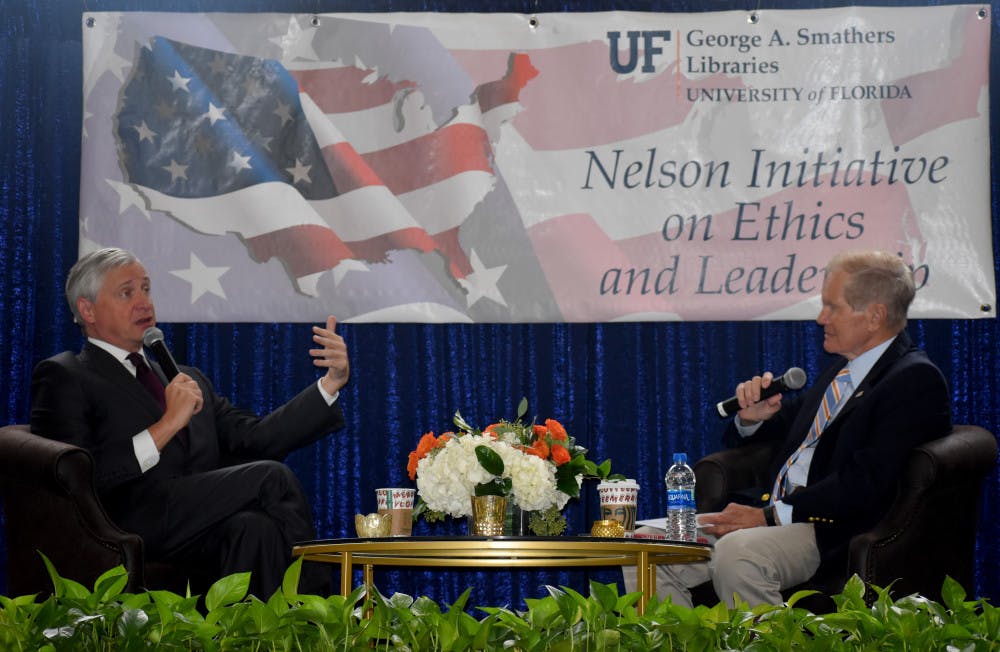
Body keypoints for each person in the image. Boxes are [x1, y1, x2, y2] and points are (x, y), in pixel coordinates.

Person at [625, 249, 951, 607]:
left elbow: (865, 482)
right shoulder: (843, 370)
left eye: (833, 307)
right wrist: (754, 418)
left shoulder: (913, 380)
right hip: (777, 514)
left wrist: (768, 516)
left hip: (828, 528)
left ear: (875, 316)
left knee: (738, 553)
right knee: (644, 544)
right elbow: (803, 438)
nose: (820, 319)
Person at [30, 247, 350, 598]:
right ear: (87, 309)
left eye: (147, 289)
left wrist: (330, 383)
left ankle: (240, 637)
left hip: (195, 523)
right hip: (122, 521)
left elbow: (257, 439)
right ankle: (319, 613)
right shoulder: (66, 375)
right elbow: (70, 479)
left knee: (254, 528)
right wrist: (166, 425)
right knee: (272, 477)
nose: (144, 303)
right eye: (127, 292)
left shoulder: (182, 377)